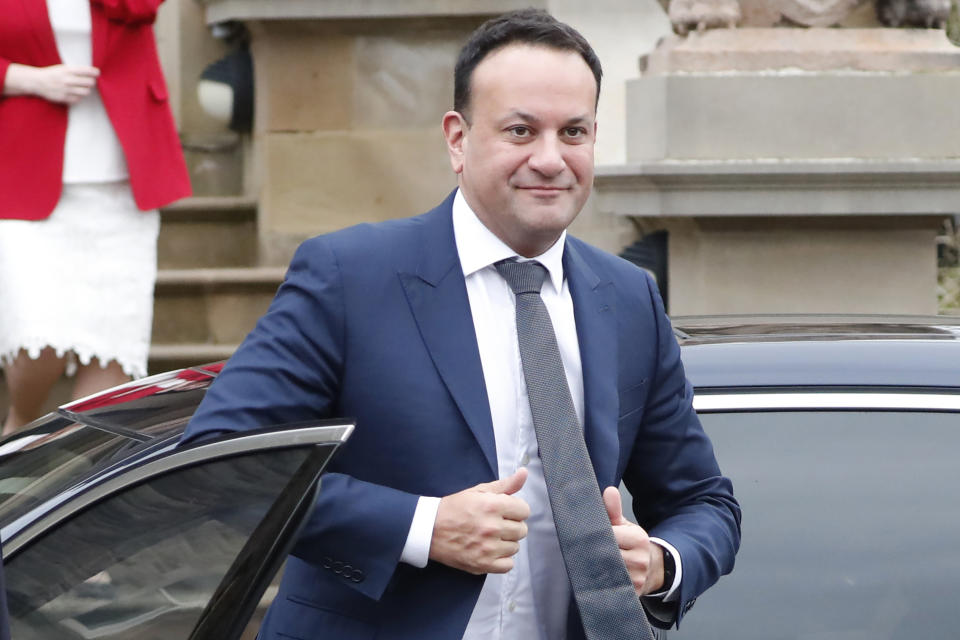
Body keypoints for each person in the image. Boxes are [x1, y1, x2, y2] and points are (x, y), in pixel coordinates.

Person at [183, 9, 740, 639]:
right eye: (521, 131)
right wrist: (422, 527)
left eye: (574, 132)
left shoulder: (629, 297)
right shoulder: (349, 276)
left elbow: (704, 503)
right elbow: (219, 464)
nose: (551, 160)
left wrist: (661, 563)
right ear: (457, 138)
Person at [0, 0, 190, 435]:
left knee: (111, 351)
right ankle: (21, 428)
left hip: (120, 185)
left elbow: (140, 6)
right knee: (38, 340)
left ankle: (82, 478)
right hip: (23, 179)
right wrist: (28, 78)